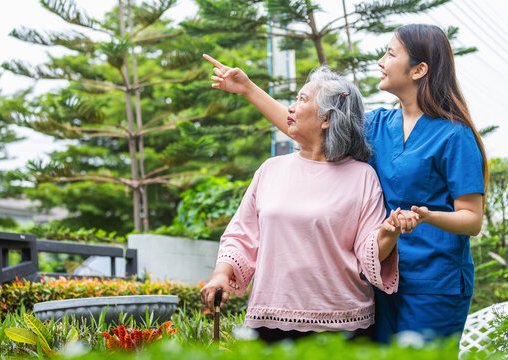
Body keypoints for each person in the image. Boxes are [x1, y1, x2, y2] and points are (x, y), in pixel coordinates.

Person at [201, 23, 487, 343]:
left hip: (434, 283)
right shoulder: (378, 124)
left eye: (390, 54)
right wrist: (247, 88)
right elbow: (309, 124)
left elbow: (472, 220)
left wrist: (426, 216)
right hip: (382, 278)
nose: (380, 61)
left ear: (419, 69)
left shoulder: (454, 135)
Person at [200, 65, 414, 343]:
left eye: (302, 100)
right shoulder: (270, 170)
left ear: (326, 119)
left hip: (343, 327)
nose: (290, 107)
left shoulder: (362, 177)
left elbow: (367, 251)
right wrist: (219, 276)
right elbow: (241, 236)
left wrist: (389, 232)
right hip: (269, 320)